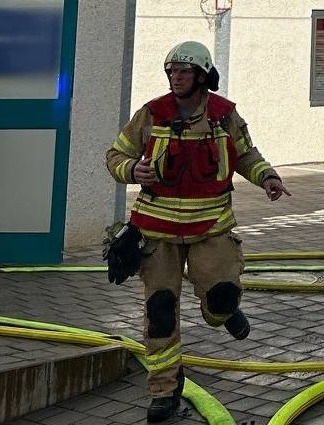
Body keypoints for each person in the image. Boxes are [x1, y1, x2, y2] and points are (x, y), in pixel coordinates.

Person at [104, 41, 290, 422]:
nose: (176, 78)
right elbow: (116, 155)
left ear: (203, 76)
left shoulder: (224, 116)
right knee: (160, 312)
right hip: (157, 232)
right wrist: (130, 171)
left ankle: (223, 313)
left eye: (184, 72)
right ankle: (164, 390)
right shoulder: (151, 114)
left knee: (222, 294)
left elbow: (246, 155)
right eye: (172, 72)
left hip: (211, 228)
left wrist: (267, 177)